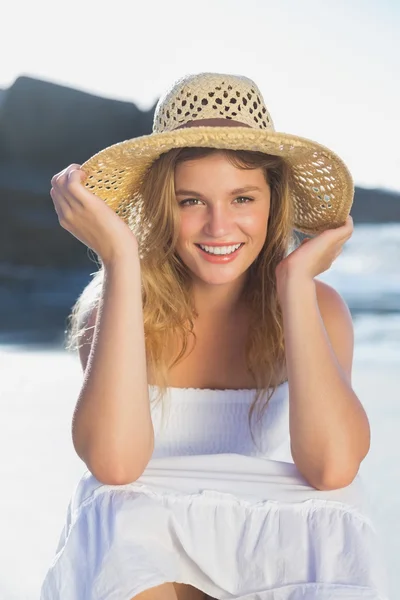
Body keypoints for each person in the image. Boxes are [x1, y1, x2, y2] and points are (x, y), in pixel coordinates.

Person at [40, 73, 388, 599]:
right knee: (115, 511)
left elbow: (333, 468)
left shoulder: (319, 309)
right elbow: (113, 464)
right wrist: (118, 259)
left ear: (273, 203)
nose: (219, 228)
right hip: (153, 568)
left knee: (337, 511)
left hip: (270, 560)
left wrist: (294, 283)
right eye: (190, 202)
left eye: (242, 199)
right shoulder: (113, 305)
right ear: (161, 206)